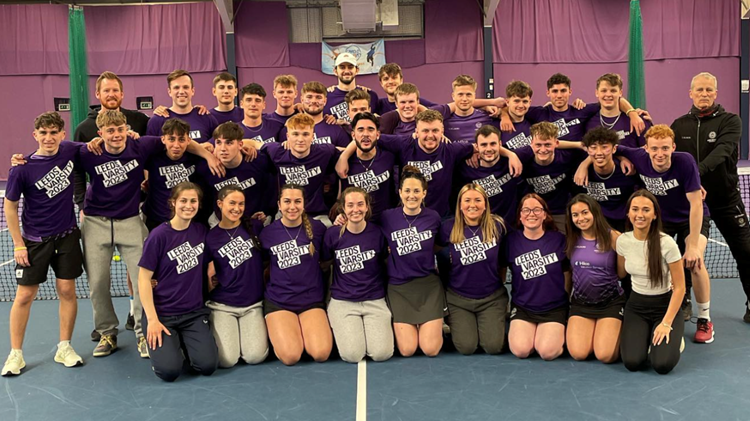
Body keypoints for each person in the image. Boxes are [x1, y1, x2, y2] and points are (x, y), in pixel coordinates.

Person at [2, 112, 84, 376]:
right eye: (43, 132)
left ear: (62, 134)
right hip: (35, 241)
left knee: (67, 291)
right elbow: (11, 207)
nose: (49, 137)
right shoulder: (22, 167)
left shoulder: (71, 151)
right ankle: (15, 354)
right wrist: (18, 244)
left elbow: (100, 145)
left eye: (54, 132)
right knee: (24, 295)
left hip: (67, 236)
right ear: (35, 135)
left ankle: (64, 347)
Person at [615, 125, 714, 342]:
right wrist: (621, 158)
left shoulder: (685, 161)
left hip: (691, 218)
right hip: (662, 220)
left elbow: (696, 205)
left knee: (695, 262)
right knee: (658, 262)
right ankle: (675, 302)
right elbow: (609, 148)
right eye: (655, 148)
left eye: (665, 148)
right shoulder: (638, 156)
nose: (660, 154)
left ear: (673, 147)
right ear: (646, 148)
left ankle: (705, 319)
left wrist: (693, 245)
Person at [73, 71, 149, 335]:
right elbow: (64, 160)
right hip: (96, 219)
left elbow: (172, 144)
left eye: (115, 90)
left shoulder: (140, 124)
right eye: (106, 90)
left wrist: (209, 154)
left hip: (131, 215)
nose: (111, 94)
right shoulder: (84, 133)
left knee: (141, 277)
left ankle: (142, 330)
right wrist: (81, 204)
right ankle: (106, 331)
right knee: (98, 283)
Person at [671, 72, 750, 323]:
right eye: (699, 90)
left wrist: (694, 174)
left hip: (726, 200)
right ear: (690, 93)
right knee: (687, 252)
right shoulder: (679, 125)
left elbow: (723, 151)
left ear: (715, 93)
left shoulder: (731, 121)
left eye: (708, 90)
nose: (704, 94)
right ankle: (684, 302)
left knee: (746, 252)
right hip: (693, 203)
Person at [138, 182, 218, 381]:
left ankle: (181, 344)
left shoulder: (201, 231)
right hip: (163, 315)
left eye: (193, 201)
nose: (188, 205)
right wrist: (153, 320)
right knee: (169, 372)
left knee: (207, 366)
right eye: (183, 200)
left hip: (193, 313)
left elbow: (211, 260)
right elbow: (143, 279)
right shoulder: (158, 236)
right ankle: (166, 349)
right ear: (173, 203)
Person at [260, 184, 331, 365]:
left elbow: (326, 259)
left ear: (304, 204)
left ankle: (303, 333)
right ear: (279, 204)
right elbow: (263, 265)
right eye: (287, 201)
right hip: (280, 301)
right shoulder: (267, 233)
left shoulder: (318, 229)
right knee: (291, 357)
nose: (292, 207)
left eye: (297, 201)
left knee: (321, 353)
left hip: (311, 300)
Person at [618, 190, 685, 374]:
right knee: (632, 362)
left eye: (646, 210)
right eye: (635, 209)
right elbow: (621, 273)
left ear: (654, 215)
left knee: (661, 365)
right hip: (636, 307)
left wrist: (666, 323)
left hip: (665, 307)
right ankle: (645, 336)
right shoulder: (622, 241)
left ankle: (674, 338)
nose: (640, 214)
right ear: (628, 213)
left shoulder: (667, 243)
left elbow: (680, 287)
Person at [322, 187, 393, 363]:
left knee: (381, 354)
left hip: (374, 300)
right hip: (343, 302)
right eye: (351, 205)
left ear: (367, 207)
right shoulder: (332, 234)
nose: (356, 209)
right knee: (352, 355)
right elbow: (324, 263)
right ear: (343, 209)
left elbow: (385, 261)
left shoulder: (377, 233)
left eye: (360, 204)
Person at [379, 166, 443, 357]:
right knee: (407, 350)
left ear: (424, 193)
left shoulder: (433, 217)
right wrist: (339, 217)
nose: (411, 195)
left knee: (430, 349)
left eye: (416, 191)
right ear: (400, 192)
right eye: (407, 190)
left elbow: (438, 245)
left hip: (428, 286)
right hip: (399, 288)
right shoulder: (387, 217)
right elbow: (361, 223)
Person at [438, 184, 508, 355]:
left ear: (485, 204)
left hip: (491, 298)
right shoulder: (448, 227)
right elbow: (434, 251)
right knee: (467, 347)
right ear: (460, 205)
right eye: (467, 200)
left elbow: (504, 260)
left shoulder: (497, 226)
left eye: (477, 200)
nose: (472, 205)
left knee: (493, 347)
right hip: (458, 299)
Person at [205, 186, 269, 367]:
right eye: (232, 203)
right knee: (227, 360)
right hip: (223, 305)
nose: (237, 208)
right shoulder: (210, 237)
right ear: (220, 204)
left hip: (253, 305)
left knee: (255, 357)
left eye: (241, 204)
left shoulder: (254, 227)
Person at [505, 194, 570, 360]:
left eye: (536, 209)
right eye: (526, 210)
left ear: (545, 214)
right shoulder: (511, 241)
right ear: (520, 215)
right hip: (523, 307)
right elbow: (501, 270)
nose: (531, 214)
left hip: (553, 308)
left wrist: (565, 294)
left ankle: (553, 336)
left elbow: (567, 271)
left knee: (547, 352)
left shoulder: (559, 240)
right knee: (521, 350)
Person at [565, 194, 625, 363]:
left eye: (585, 212)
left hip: (610, 303)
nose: (580, 218)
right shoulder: (571, 239)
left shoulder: (614, 237)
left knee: (605, 356)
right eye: (575, 215)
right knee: (579, 353)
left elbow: (621, 273)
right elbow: (570, 272)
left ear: (595, 212)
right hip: (581, 304)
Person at [142, 118, 222, 231]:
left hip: (191, 220)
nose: (176, 145)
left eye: (181, 140)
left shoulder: (196, 158)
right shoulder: (153, 158)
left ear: (189, 140)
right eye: (171, 139)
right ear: (163, 139)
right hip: (158, 219)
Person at [511, 122, 589, 230]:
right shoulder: (521, 156)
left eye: (547, 145)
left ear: (557, 143)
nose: (543, 150)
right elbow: (495, 153)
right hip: (532, 213)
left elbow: (598, 152)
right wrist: (510, 155)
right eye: (538, 145)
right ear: (531, 143)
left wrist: (584, 165)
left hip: (560, 211)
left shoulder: (567, 156)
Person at [196, 122, 270, 226]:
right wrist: (204, 151)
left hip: (256, 220)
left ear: (240, 145)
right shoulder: (205, 167)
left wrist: (267, 212)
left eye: (229, 143)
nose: (223, 148)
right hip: (222, 223)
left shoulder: (257, 160)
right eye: (218, 143)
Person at [576, 127, 639, 233]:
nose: (599, 152)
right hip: (596, 225)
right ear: (587, 150)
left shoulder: (627, 171)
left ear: (614, 149)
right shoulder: (580, 173)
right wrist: (583, 164)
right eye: (593, 147)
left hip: (625, 225)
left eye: (604, 147)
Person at [458, 125, 523, 224]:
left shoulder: (511, 160)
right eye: (483, 145)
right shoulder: (466, 168)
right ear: (476, 147)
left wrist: (512, 155)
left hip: (511, 227)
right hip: (482, 229)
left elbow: (538, 148)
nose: (488, 149)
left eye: (493, 144)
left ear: (500, 144)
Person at [339, 113, 396, 223]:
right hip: (355, 223)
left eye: (370, 129)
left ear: (378, 134)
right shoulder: (341, 160)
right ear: (353, 135)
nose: (365, 134)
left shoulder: (390, 156)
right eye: (360, 130)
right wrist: (343, 156)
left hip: (385, 223)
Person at [146, 69, 219, 143]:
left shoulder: (206, 118)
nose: (181, 92)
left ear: (192, 91)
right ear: (169, 92)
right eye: (176, 88)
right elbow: (150, 151)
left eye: (185, 87)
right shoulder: (157, 121)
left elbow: (219, 144)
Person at [584, 73, 651, 148]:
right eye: (604, 91)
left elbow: (649, 151)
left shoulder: (638, 121)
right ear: (597, 93)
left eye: (613, 91)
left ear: (620, 93)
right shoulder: (587, 122)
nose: (608, 94)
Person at [280, 81, 351, 147]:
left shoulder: (337, 129)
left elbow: (346, 156)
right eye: (309, 97)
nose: (313, 101)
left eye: (318, 97)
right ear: (302, 100)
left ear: (325, 101)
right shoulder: (289, 129)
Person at [324, 53, 379, 123]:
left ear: (357, 70)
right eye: (342, 67)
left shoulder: (370, 95)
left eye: (350, 67)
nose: (346, 71)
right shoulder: (326, 97)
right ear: (335, 71)